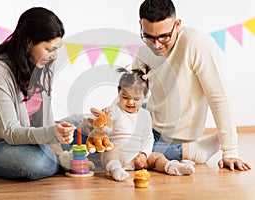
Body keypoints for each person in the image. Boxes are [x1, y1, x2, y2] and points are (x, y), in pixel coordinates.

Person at [0, 7, 75, 180]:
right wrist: (54, 142)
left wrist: (55, 142)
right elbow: (10, 132)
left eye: (57, 49)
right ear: (29, 42)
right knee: (38, 164)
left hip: (26, 136)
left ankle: (54, 153)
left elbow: (46, 116)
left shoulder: (45, 64)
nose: (55, 56)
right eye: (49, 49)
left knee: (85, 131)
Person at [133, 0, 251, 171]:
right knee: (102, 136)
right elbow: (129, 92)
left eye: (164, 36)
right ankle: (188, 151)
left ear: (178, 24)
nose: (156, 45)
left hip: (177, 135)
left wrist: (230, 151)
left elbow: (218, 97)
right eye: (149, 37)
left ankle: (192, 151)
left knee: (124, 150)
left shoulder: (196, 43)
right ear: (141, 26)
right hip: (151, 121)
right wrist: (108, 117)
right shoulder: (145, 51)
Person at [101, 68, 195, 181]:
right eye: (125, 97)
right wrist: (105, 120)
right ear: (119, 91)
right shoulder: (114, 110)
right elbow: (105, 131)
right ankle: (116, 170)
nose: (130, 102)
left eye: (136, 99)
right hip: (119, 155)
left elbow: (148, 138)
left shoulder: (145, 115)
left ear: (144, 96)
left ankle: (171, 166)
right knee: (110, 153)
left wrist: (144, 155)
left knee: (157, 156)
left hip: (138, 158)